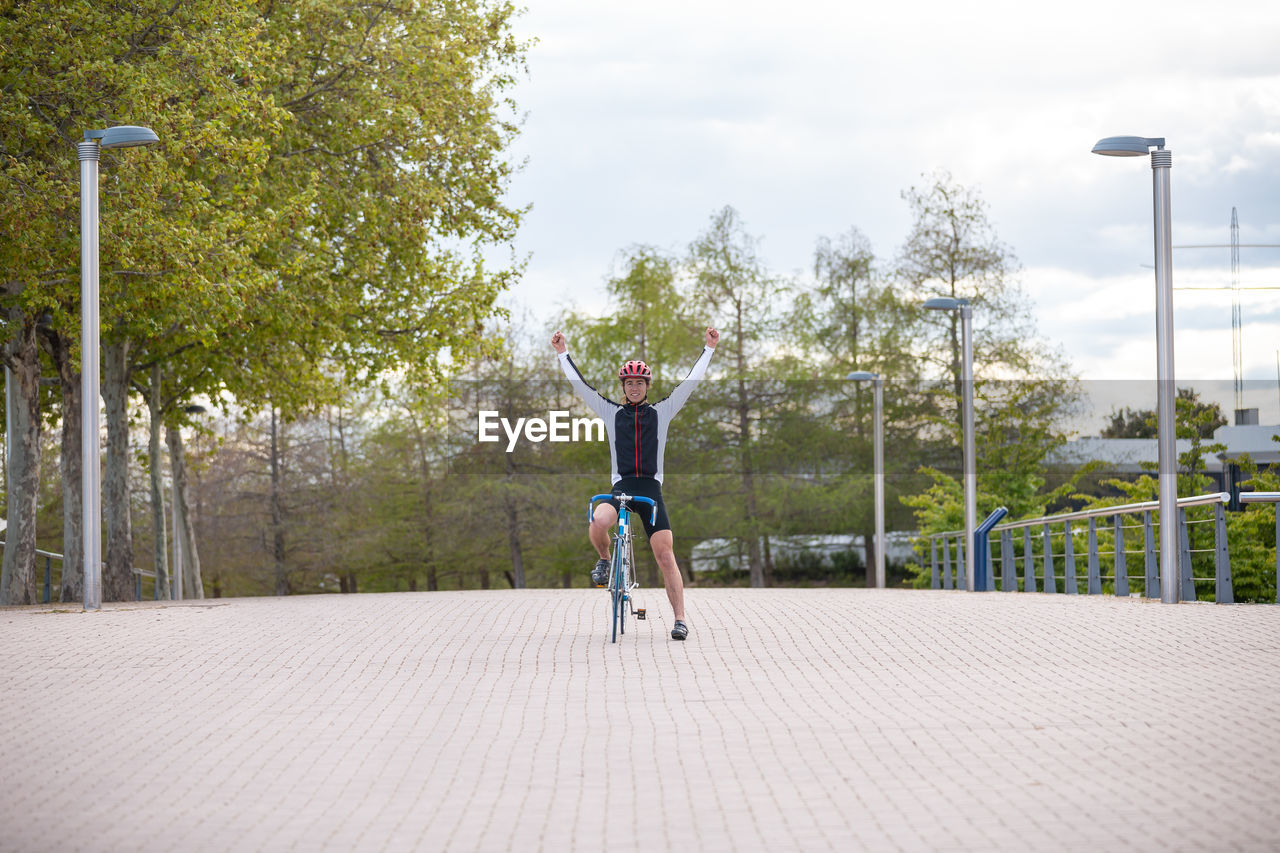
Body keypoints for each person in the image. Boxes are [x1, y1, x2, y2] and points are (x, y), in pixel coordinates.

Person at [551, 327, 719, 640]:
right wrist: (563, 352)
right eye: (629, 383)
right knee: (599, 519)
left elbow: (690, 384)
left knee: (665, 556)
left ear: (646, 386)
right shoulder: (610, 412)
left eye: (639, 383)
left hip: (650, 490)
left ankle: (680, 619)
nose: (634, 387)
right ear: (624, 386)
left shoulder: (663, 411)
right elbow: (581, 387)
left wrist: (708, 348)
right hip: (621, 487)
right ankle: (605, 561)